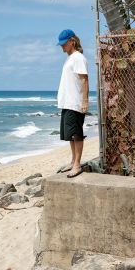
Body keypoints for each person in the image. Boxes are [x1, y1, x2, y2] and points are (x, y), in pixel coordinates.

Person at [56, 29, 89, 178]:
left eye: (64, 44)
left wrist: (84, 101)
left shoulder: (78, 57)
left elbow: (84, 79)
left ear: (72, 41)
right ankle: (73, 161)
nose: (62, 47)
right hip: (67, 103)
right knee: (70, 135)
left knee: (76, 134)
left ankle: (77, 164)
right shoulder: (70, 58)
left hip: (75, 102)